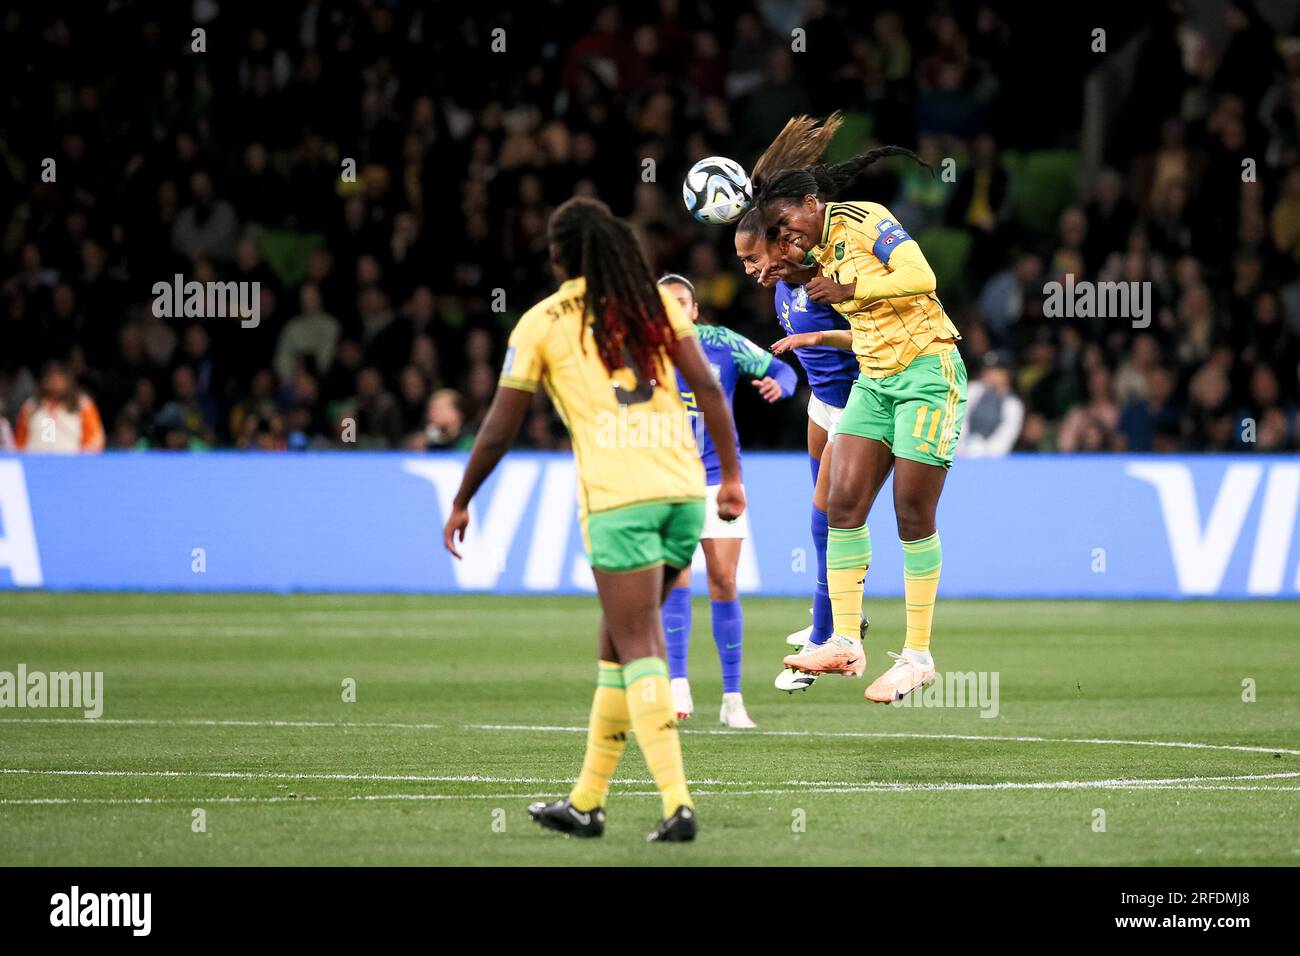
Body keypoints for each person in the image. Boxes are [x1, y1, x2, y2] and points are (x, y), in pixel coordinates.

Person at [442, 197, 744, 842]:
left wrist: (464, 495)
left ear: (557, 256)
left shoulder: (541, 323)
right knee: (618, 642)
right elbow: (710, 389)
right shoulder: (655, 304)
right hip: (685, 492)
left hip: (620, 500)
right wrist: (735, 479)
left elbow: (500, 426)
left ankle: (677, 803)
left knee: (640, 645)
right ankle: (586, 803)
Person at [756, 142, 968, 704]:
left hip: (927, 370)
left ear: (811, 201)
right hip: (874, 380)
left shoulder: (866, 218)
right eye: (775, 230)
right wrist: (820, 335)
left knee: (911, 511)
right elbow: (869, 328)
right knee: (839, 504)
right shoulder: (819, 257)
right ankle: (845, 640)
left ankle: (918, 657)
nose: (784, 236)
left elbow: (922, 277)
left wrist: (852, 289)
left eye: (786, 222)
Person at [656, 273, 797, 728]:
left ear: (695, 310)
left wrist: (782, 386)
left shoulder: (721, 343)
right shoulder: (640, 351)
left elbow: (782, 368)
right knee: (674, 579)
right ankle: (678, 686)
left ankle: (732, 699)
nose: (675, 309)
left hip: (720, 482)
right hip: (667, 482)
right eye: (665, 303)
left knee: (723, 582)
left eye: (682, 301)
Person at [14, 361, 106, 454]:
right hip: (35, 462)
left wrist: (83, 460)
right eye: (51, 377)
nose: (55, 382)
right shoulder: (31, 406)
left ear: (68, 380)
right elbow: (20, 441)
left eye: (60, 378)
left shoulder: (82, 405)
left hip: (71, 462)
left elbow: (95, 440)